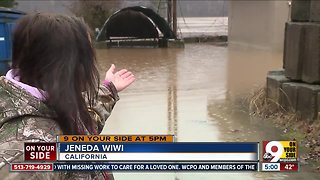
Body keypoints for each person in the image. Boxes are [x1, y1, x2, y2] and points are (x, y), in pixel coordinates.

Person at [0, 13, 135, 179]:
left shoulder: (48, 105)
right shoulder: (31, 152)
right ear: (66, 66)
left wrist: (109, 89)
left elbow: (84, 120)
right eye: (86, 58)